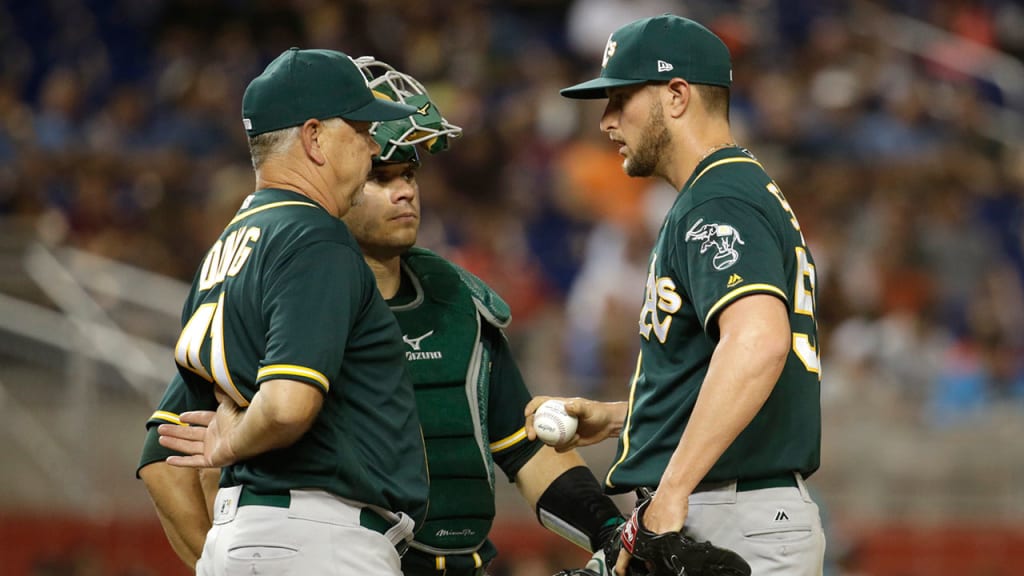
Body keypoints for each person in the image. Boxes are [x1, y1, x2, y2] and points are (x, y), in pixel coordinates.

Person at [139, 57, 625, 576]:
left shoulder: (455, 298)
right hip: (343, 547)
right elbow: (166, 458)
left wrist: (609, 532)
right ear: (320, 151)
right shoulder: (289, 266)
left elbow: (529, 446)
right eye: (380, 172)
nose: (405, 190)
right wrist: (215, 557)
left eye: (409, 173)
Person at [528, 14, 827, 576]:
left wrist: (672, 490)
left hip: (728, 513)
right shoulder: (731, 189)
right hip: (734, 508)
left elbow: (760, 342)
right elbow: (731, 366)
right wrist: (628, 418)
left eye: (620, 98)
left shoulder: (719, 199)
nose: (606, 120)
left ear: (677, 95)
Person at [151, 47, 429, 576]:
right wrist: (231, 441)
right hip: (319, 540)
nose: (374, 145)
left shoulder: (227, 248)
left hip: (243, 536)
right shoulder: (314, 237)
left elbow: (160, 450)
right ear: (314, 137)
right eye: (363, 128)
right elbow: (286, 406)